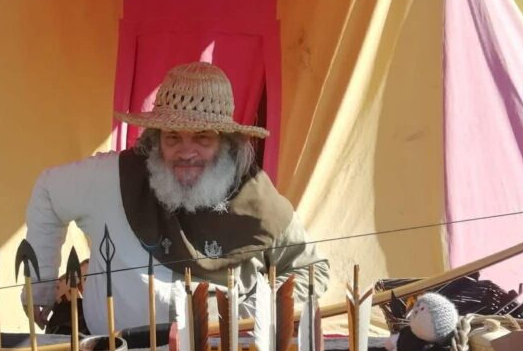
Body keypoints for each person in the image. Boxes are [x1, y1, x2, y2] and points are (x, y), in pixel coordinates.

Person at [24, 61, 328, 335]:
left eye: (202, 137)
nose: (186, 152)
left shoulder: (257, 199)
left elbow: (311, 271)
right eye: (173, 137)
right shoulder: (111, 178)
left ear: (226, 144)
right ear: (155, 140)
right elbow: (48, 192)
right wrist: (40, 288)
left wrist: (256, 312)